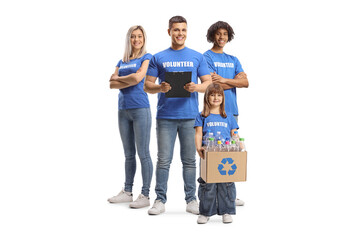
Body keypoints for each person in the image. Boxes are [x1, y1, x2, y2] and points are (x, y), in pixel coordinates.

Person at [144, 16, 212, 215]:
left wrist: (196, 86)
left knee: (189, 160)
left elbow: (208, 83)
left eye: (183, 30)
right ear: (169, 32)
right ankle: (160, 199)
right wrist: (160, 87)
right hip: (165, 116)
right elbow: (148, 85)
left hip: (190, 116)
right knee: (164, 160)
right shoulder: (158, 57)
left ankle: (191, 200)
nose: (180, 33)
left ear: (186, 32)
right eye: (176, 30)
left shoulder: (197, 56)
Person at [107, 25, 153, 209]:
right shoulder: (122, 60)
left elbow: (138, 78)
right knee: (128, 154)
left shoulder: (147, 57)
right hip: (123, 110)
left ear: (144, 38)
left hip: (140, 109)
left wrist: (120, 79)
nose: (136, 39)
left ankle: (146, 194)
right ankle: (127, 191)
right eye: (133, 36)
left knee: (143, 153)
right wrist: (128, 78)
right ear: (129, 39)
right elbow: (111, 85)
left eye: (139, 36)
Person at [203, 21, 249, 206]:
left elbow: (246, 82)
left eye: (225, 34)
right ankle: (209, 194)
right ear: (212, 35)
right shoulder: (206, 57)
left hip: (231, 112)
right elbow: (211, 86)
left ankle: (230, 195)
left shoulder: (233, 59)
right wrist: (232, 81)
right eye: (218, 34)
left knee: (232, 153)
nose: (221, 37)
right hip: (213, 111)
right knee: (210, 151)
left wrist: (223, 80)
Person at [194, 83, 238, 224]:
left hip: (225, 154)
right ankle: (205, 212)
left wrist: (238, 141)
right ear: (207, 97)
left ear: (223, 98)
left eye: (219, 95)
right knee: (207, 183)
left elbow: (234, 133)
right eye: (212, 95)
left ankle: (226, 211)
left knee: (226, 182)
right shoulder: (202, 116)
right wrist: (198, 147)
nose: (215, 98)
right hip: (208, 153)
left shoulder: (228, 116)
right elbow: (198, 133)